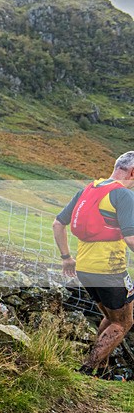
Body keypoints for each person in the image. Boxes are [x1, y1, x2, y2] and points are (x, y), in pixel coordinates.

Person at [53, 151, 134, 380]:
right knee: (123, 322)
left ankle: (101, 368)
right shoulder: (123, 195)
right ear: (132, 172)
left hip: (85, 269)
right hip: (110, 270)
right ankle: (88, 370)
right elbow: (130, 239)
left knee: (110, 316)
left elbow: (57, 224)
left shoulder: (87, 190)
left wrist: (66, 257)